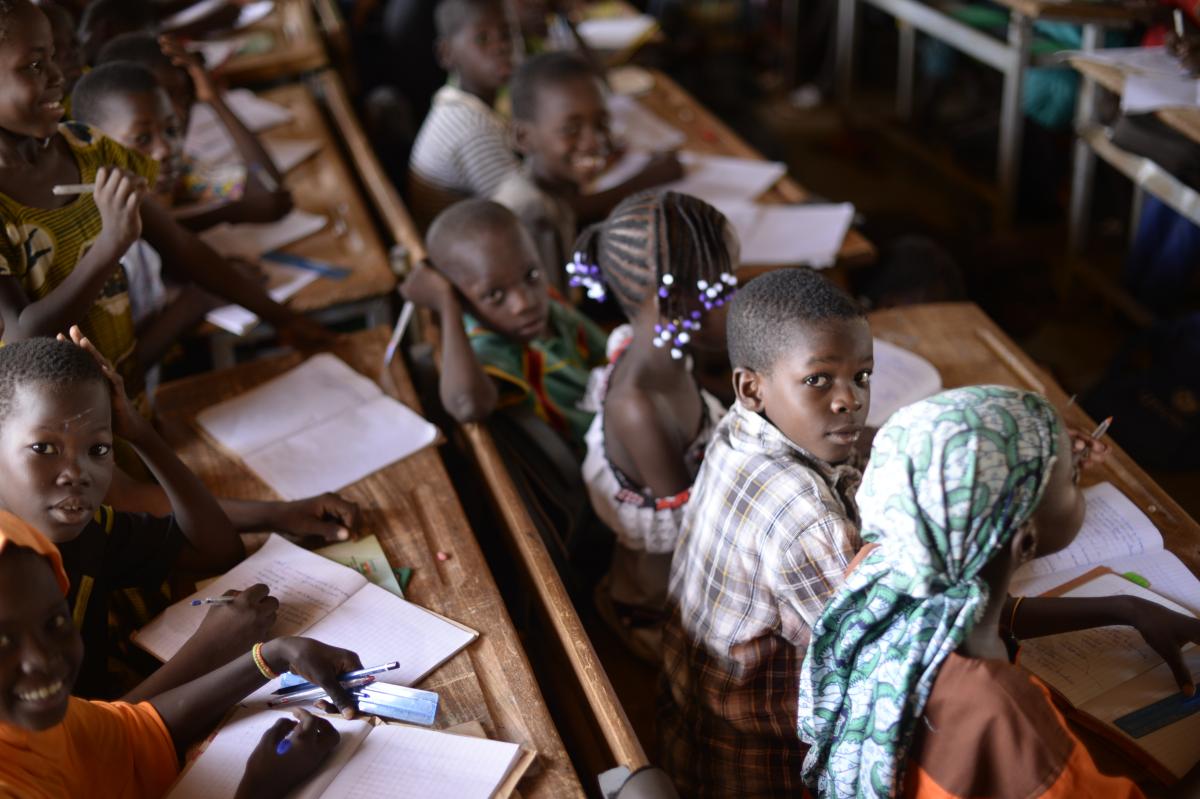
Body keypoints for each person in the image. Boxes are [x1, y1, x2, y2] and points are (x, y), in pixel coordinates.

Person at [660, 268, 1200, 797]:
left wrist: (1020, 455)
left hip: (708, 736)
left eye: (862, 377)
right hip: (761, 770)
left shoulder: (746, 429)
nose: (850, 400)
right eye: (819, 379)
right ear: (751, 387)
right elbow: (912, 624)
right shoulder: (815, 525)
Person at [796, 386, 1200, 798]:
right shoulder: (1009, 722)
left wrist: (1125, 607)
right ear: (1024, 543)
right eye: (1073, 479)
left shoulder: (879, 570)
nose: (1080, 482)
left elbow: (972, 612)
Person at [0, 0, 328, 411]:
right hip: (51, 426)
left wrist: (283, 318)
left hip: (124, 395)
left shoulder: (86, 146)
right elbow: (22, 335)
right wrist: (111, 244)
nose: (56, 76)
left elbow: (183, 248)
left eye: (51, 57)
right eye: (33, 66)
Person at [0, 508, 363, 799]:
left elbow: (134, 735)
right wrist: (259, 790)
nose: (44, 659)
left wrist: (273, 656)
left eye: (55, 623)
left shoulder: (32, 722)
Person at [0, 333, 261, 700]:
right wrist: (206, 651)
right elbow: (74, 743)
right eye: (44, 448)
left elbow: (216, 549)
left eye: (98, 448)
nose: (77, 472)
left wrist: (139, 432)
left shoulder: (88, 532)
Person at [574, 190, 733, 662]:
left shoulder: (660, 347)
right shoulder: (638, 407)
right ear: (678, 300)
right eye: (724, 288)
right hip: (661, 596)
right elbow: (689, 536)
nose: (735, 300)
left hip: (688, 548)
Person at [401, 199, 607, 451]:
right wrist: (447, 306)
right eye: (494, 295)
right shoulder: (491, 347)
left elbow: (609, 355)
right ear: (461, 299)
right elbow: (467, 405)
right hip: (601, 454)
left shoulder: (546, 298)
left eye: (531, 274)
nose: (524, 302)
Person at [498, 52, 681, 283]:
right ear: (523, 137)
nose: (595, 142)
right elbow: (563, 310)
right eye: (571, 130)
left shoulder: (552, 189)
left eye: (601, 123)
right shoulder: (537, 219)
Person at [94, 32, 293, 229]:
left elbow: (270, 192)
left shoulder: (174, 169)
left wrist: (213, 99)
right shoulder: (107, 193)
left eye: (184, 96)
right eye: (162, 99)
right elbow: (153, 236)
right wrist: (232, 213)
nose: (179, 112)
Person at [408, 0, 517, 227]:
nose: (501, 47)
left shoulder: (455, 100)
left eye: (506, 35)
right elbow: (525, 211)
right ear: (446, 54)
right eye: (482, 39)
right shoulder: (472, 129)